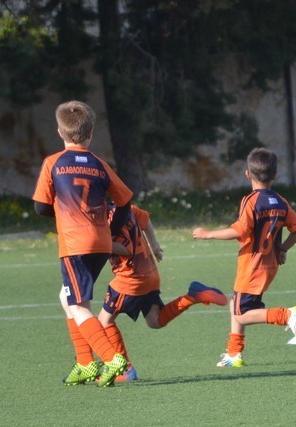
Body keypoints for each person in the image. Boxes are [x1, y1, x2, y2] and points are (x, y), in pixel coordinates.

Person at [32, 100, 134, 387]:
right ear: (90, 133)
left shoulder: (53, 162)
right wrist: (111, 231)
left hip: (75, 244)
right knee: (68, 298)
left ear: (59, 132)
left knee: (76, 304)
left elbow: (40, 207)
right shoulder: (100, 164)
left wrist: (64, 211)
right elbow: (125, 201)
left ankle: (111, 358)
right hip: (100, 242)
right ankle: (85, 363)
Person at [80, 203, 227, 384]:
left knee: (104, 321)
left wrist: (99, 243)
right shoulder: (125, 208)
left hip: (130, 279)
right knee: (155, 320)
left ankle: (125, 370)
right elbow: (146, 219)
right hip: (149, 273)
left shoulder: (108, 219)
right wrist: (154, 245)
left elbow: (127, 249)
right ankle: (193, 297)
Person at [192, 147, 296, 367]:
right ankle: (234, 354)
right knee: (236, 305)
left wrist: (208, 234)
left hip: (252, 266)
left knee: (242, 314)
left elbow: (240, 230)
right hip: (269, 265)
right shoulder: (280, 201)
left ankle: (287, 316)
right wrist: (282, 249)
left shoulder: (251, 201)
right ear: (275, 175)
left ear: (247, 174)